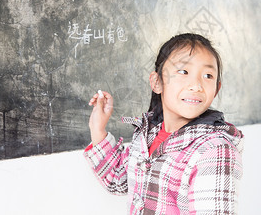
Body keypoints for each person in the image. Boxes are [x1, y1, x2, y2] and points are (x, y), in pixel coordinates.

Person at [84, 33, 244, 214]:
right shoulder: (148, 134)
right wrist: (97, 128)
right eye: (183, 71)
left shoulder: (215, 150)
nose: (196, 85)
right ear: (157, 82)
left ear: (216, 89)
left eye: (208, 75)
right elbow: (118, 180)